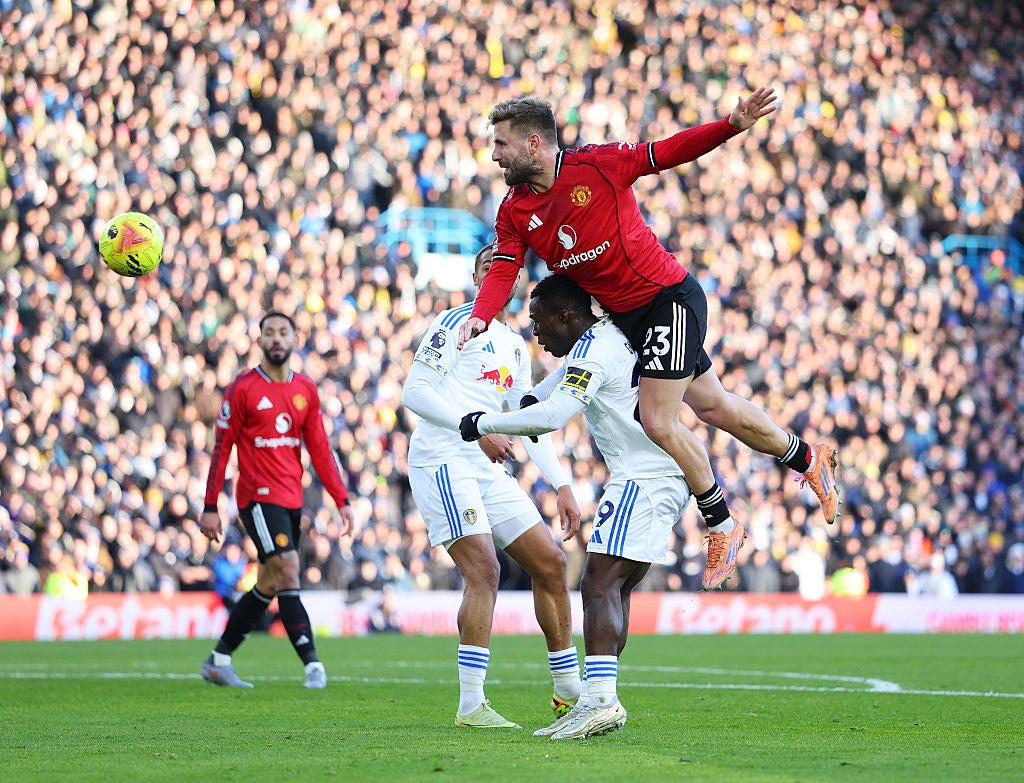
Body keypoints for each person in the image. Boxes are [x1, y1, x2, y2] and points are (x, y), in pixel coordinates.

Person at [458, 90, 840, 590]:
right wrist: (482, 317)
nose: (494, 155)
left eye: (501, 145)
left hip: (667, 299)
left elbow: (667, 151)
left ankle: (723, 524)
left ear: (533, 143)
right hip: (629, 319)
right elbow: (505, 265)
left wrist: (730, 124)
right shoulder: (513, 211)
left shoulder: (597, 166)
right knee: (716, 408)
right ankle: (811, 459)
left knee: (658, 421)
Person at [459, 274, 691, 739]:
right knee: (615, 587)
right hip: (658, 473)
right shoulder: (601, 339)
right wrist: (524, 399)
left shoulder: (594, 348)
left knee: (598, 581)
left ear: (567, 315)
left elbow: (552, 416)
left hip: (644, 476)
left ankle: (601, 700)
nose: (535, 333)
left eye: (540, 321)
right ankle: (596, 697)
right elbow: (548, 392)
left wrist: (483, 421)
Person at [402, 245, 583, 729]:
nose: (496, 275)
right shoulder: (454, 322)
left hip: (485, 465)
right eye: (487, 267)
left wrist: (561, 483)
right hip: (444, 457)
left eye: (507, 270)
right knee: (484, 569)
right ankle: (470, 706)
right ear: (475, 275)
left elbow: (529, 421)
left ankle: (569, 693)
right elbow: (414, 392)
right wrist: (475, 426)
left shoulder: (515, 346)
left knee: (551, 562)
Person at [199, 312, 356, 689]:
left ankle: (218, 660)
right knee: (288, 568)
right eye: (269, 332)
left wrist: (342, 499)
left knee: (269, 582)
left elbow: (319, 448)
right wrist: (209, 505)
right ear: (259, 341)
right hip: (256, 496)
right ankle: (312, 664)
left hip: (291, 497)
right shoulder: (243, 389)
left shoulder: (305, 390)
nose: (276, 339)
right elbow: (222, 449)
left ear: (294, 339)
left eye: (283, 332)